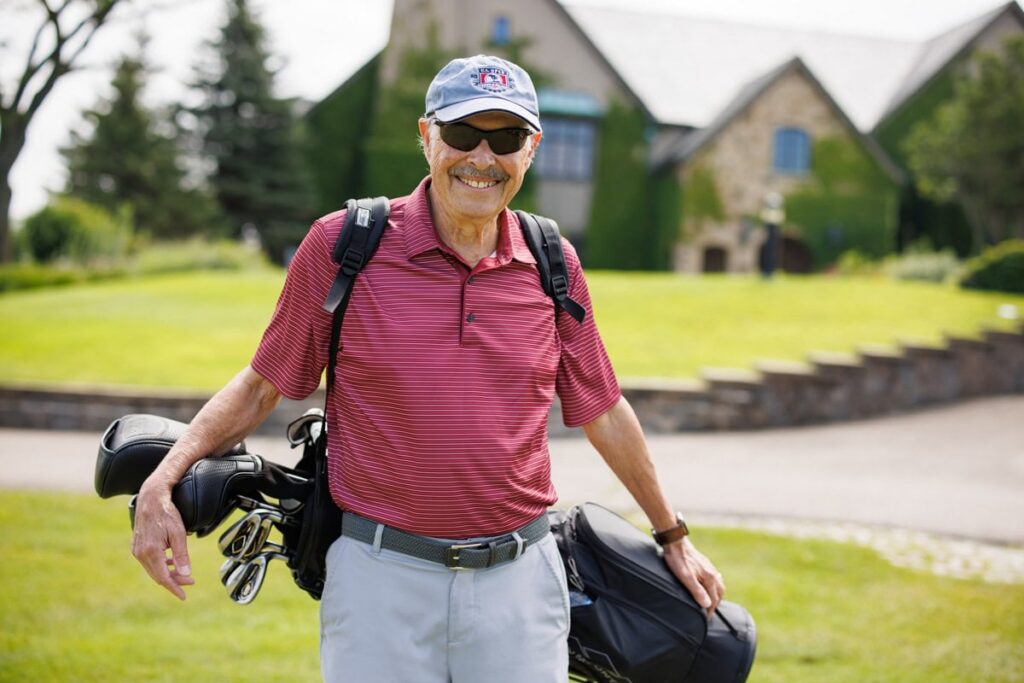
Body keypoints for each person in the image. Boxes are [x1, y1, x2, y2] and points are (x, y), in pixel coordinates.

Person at [131, 54, 725, 682]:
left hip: (520, 587)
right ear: (426, 137)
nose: (482, 157)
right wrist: (163, 479)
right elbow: (262, 385)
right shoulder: (344, 244)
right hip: (378, 581)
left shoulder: (554, 260)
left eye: (507, 138)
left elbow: (604, 409)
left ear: (531, 150)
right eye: (463, 134)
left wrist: (673, 536)